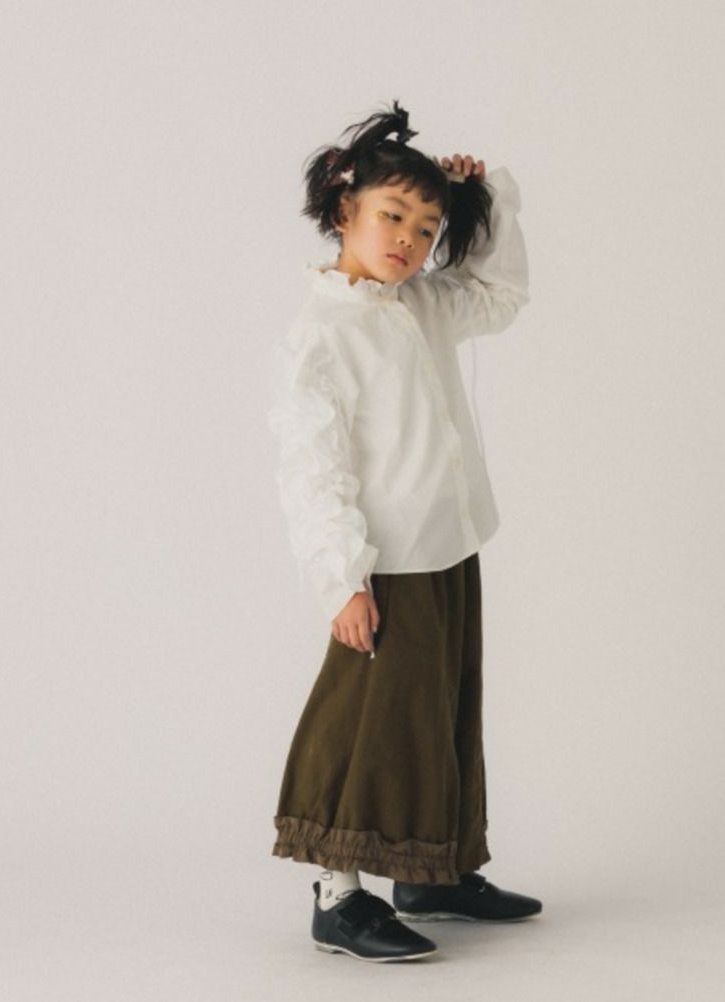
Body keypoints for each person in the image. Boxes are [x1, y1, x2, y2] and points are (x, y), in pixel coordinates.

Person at [266, 99, 542, 963]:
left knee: (441, 713)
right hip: (383, 564)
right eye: (393, 216)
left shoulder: (421, 303)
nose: (409, 242)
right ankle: (337, 895)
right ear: (344, 206)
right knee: (367, 722)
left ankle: (433, 871)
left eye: (427, 229)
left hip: (447, 546)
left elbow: (499, 295)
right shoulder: (322, 334)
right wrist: (341, 577)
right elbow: (312, 468)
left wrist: (485, 198)